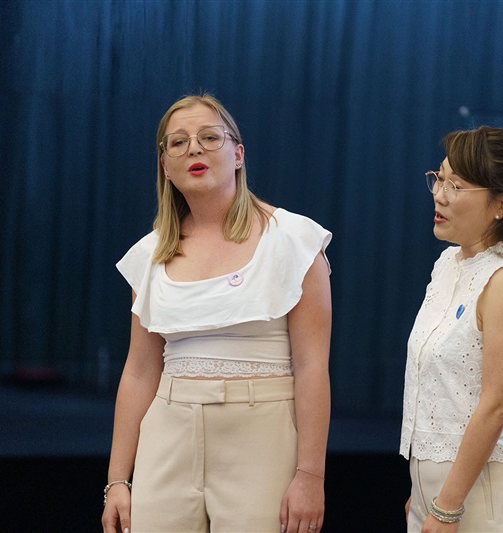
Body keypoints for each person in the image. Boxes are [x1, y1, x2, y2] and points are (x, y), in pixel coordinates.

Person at [101, 94, 332, 533]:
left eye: (210, 137)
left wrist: (310, 475)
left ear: (238, 154)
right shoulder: (149, 254)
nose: (194, 148)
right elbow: (139, 370)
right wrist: (116, 481)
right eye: (178, 142)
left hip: (261, 435)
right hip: (167, 433)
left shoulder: (293, 239)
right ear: (165, 166)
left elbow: (311, 366)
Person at [400, 126, 503, 532]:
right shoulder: (448, 265)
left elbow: (497, 403)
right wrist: (423, 489)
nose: (439, 195)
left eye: (456, 186)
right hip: (440, 491)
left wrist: (446, 505)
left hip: (488, 493)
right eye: (439, 179)